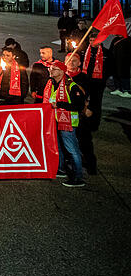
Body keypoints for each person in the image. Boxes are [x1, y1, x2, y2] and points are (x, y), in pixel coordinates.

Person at [44, 61, 87, 188]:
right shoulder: (52, 84)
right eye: (51, 69)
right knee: (58, 147)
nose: (52, 71)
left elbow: (79, 106)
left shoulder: (72, 86)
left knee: (72, 149)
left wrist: (60, 105)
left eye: (55, 69)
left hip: (68, 123)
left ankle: (78, 177)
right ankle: (61, 169)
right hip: (55, 121)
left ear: (62, 71)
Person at [77, 39, 106, 175]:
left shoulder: (105, 54)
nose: (93, 42)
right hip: (72, 112)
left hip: (96, 85)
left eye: (95, 40)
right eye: (90, 40)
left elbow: (93, 95)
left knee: (85, 140)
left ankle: (90, 166)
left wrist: (90, 107)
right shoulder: (83, 54)